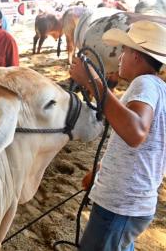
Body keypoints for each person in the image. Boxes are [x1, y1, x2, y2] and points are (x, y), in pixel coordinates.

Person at [69, 20, 166, 251]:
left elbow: (135, 133)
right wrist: (103, 169)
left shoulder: (145, 84)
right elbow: (144, 144)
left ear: (136, 56)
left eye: (124, 50)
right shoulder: (158, 87)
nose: (120, 57)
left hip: (121, 205)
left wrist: (95, 84)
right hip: (129, 202)